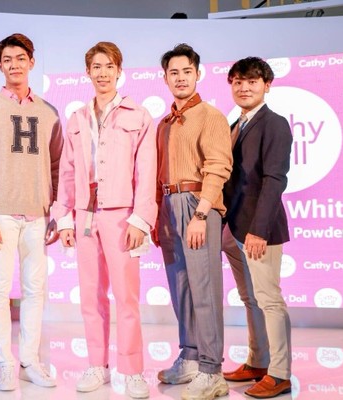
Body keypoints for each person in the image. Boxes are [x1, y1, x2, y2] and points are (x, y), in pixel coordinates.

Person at [52, 42, 157, 399]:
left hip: (122, 216)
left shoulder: (138, 116)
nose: (102, 73)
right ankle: (97, 365)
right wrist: (64, 219)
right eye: (96, 66)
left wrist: (140, 220)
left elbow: (146, 171)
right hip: (85, 216)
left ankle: (132, 370)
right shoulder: (77, 118)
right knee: (90, 296)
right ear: (87, 72)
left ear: (119, 71)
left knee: (126, 297)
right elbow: (67, 172)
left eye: (109, 66)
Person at [0, 33, 63, 391]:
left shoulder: (48, 112)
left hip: (38, 217)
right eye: (7, 59)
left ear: (31, 62)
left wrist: (55, 211)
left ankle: (30, 360)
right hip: (1, 217)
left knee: (36, 291)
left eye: (21, 58)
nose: (14, 65)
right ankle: (5, 363)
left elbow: (57, 165)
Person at [153, 43, 232, 400]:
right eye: (174, 72)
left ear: (198, 74)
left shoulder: (210, 116)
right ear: (165, 78)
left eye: (187, 71)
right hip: (169, 205)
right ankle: (190, 356)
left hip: (197, 203)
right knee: (180, 287)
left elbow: (218, 167)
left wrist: (201, 212)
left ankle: (212, 371)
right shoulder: (164, 123)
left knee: (204, 287)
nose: (181, 78)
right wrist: (158, 215)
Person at [222, 57, 293, 399]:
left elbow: (275, 179)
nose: (244, 87)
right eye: (238, 81)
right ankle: (258, 361)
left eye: (252, 81)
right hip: (235, 229)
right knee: (250, 298)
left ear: (267, 85)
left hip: (259, 231)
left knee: (269, 300)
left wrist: (259, 230)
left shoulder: (274, 124)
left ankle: (279, 374)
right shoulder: (234, 124)